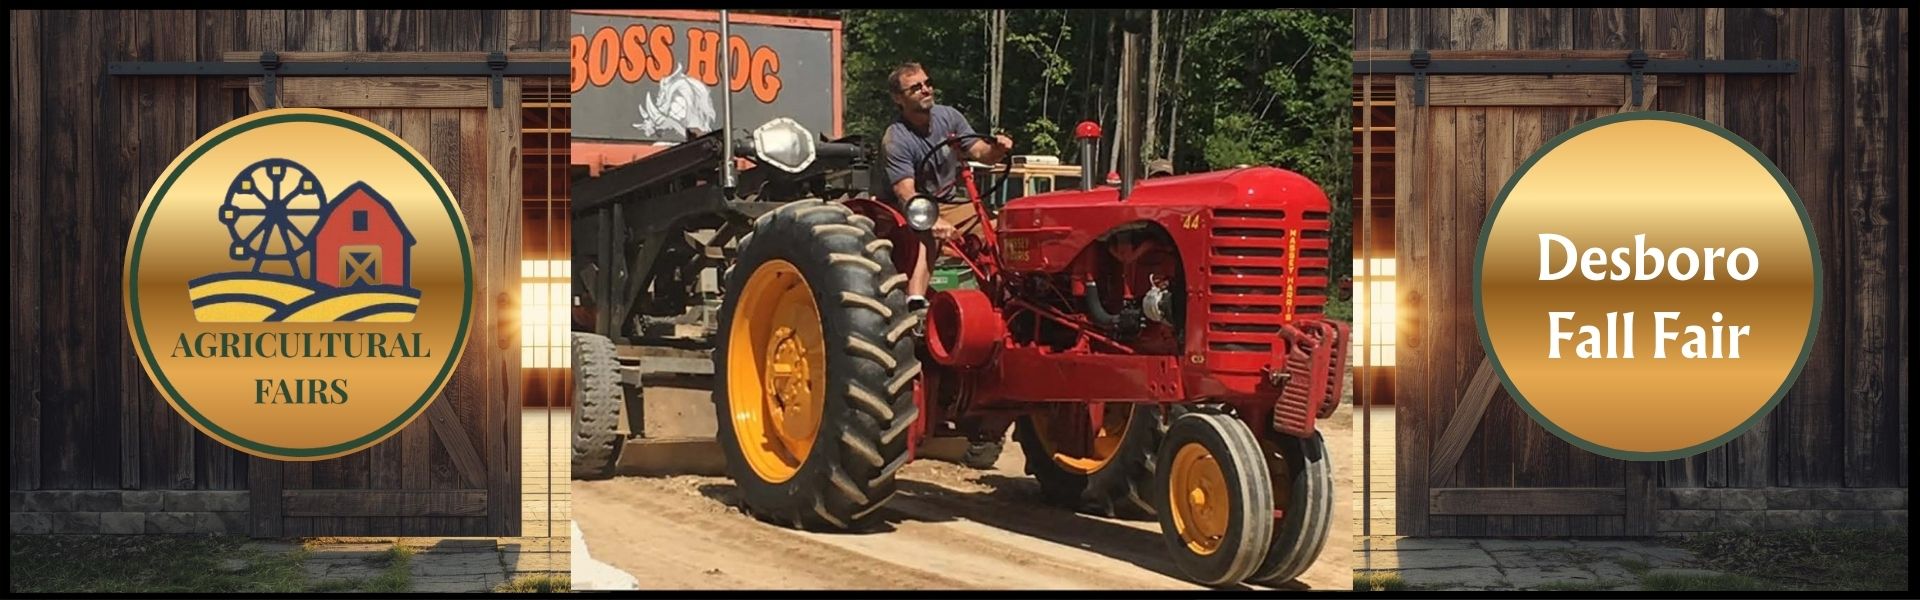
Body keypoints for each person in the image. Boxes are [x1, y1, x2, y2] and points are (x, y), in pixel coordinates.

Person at [879, 62, 1014, 313]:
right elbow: (905, 192)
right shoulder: (896, 138)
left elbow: (979, 152)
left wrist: (997, 149)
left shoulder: (949, 117)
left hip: (950, 202)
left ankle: (1006, 298)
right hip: (908, 210)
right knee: (927, 235)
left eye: (928, 84)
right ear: (898, 98)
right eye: (915, 88)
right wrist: (933, 220)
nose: (925, 90)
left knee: (998, 229)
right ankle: (915, 304)